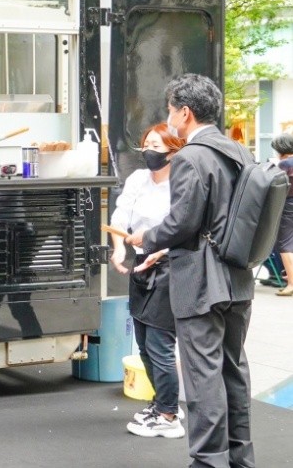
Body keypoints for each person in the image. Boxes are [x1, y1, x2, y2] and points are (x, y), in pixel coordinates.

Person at [127, 73, 256, 468]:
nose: (169, 119)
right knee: (233, 372)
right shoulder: (240, 153)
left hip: (200, 281)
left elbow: (182, 222)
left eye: (170, 111)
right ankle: (239, 459)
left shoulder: (189, 157)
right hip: (238, 279)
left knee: (203, 378)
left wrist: (146, 239)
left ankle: (208, 462)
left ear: (185, 112)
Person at [107, 123, 186, 439]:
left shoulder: (181, 183)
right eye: (146, 145)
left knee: (159, 344)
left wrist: (161, 250)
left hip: (170, 266)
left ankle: (168, 416)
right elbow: (120, 216)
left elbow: (185, 228)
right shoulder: (138, 179)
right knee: (143, 343)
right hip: (141, 263)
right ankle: (163, 404)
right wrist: (117, 250)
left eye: (157, 145)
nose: (150, 151)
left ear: (173, 151)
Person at [270, 133, 293, 296]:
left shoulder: (284, 164)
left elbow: (273, 184)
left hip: (288, 206)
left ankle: (291, 283)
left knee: (285, 244)